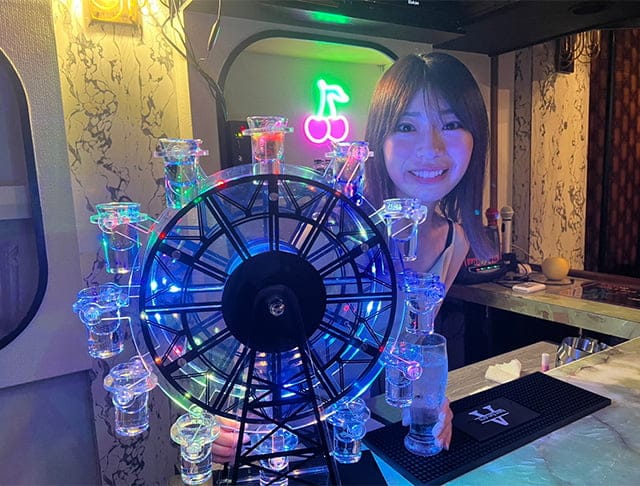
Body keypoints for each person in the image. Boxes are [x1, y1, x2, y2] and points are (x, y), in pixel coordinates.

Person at [212, 51, 493, 462]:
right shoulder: (329, 227)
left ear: (475, 138)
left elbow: (411, 345)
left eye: (451, 125)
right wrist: (229, 418)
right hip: (299, 439)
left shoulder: (455, 240)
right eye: (406, 126)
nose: (430, 148)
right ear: (379, 139)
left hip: (380, 438)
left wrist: (431, 400)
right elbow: (252, 337)